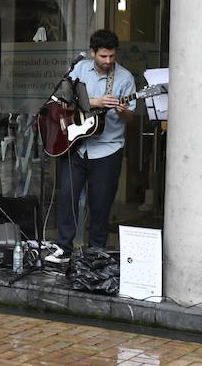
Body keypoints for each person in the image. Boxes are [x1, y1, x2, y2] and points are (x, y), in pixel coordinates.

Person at [45, 29, 137, 263]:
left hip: (108, 149)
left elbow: (131, 118)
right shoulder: (79, 69)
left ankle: (96, 253)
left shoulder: (125, 79)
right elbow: (64, 101)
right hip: (76, 145)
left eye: (112, 57)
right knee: (68, 198)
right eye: (103, 56)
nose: (108, 61)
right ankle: (63, 248)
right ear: (92, 52)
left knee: (100, 204)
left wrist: (123, 111)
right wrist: (94, 102)